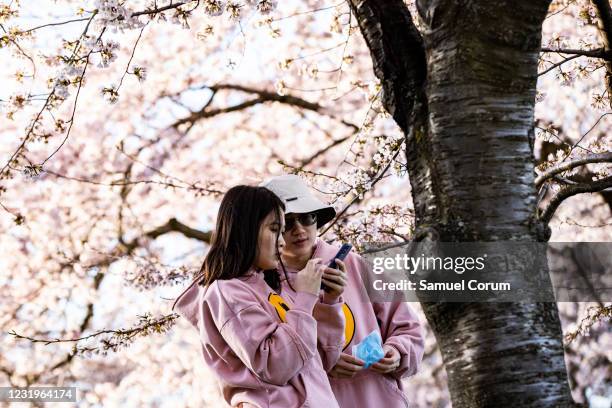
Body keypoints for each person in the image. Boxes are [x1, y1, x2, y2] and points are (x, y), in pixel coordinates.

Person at [172, 185, 345, 408]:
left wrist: (330, 301)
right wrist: (304, 298)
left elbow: (318, 359)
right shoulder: (227, 293)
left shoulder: (266, 288)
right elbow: (275, 365)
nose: (282, 241)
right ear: (247, 229)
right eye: (275, 229)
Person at [262, 174, 425, 408]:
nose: (299, 230)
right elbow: (272, 360)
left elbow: (407, 327)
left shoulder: (354, 264)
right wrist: (322, 362)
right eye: (288, 222)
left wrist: (396, 352)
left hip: (379, 397)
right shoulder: (265, 288)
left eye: (307, 217)